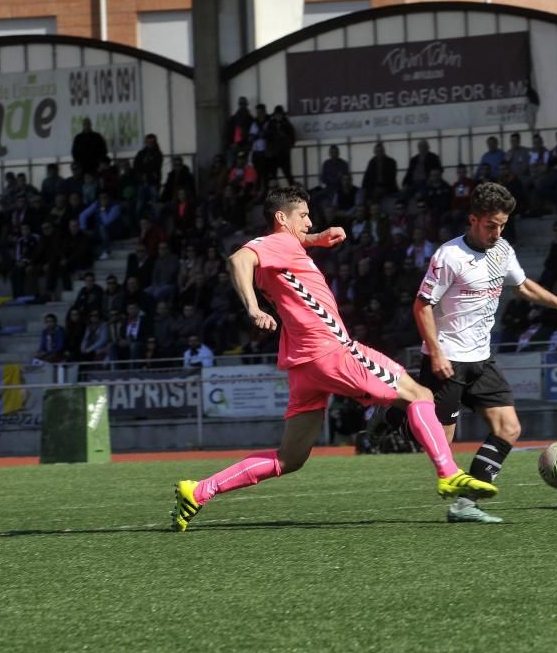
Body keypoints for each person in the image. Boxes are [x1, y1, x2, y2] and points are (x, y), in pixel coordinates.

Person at [171, 187, 498, 532]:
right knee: (421, 395)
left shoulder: (285, 248)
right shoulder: (276, 244)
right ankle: (449, 474)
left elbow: (280, 250)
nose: (310, 221)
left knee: (289, 458)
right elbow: (240, 259)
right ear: (281, 218)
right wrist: (253, 308)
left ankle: (199, 490)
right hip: (331, 350)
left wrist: (315, 238)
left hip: (303, 365)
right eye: (304, 216)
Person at [412, 182, 557, 523]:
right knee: (441, 450)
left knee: (508, 428)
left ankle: (466, 504)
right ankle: (392, 416)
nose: (497, 232)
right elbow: (422, 306)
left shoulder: (502, 251)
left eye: (502, 225)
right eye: (490, 225)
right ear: (473, 219)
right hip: (447, 358)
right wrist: (435, 352)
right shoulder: (449, 256)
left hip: (481, 359)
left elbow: (522, 285)